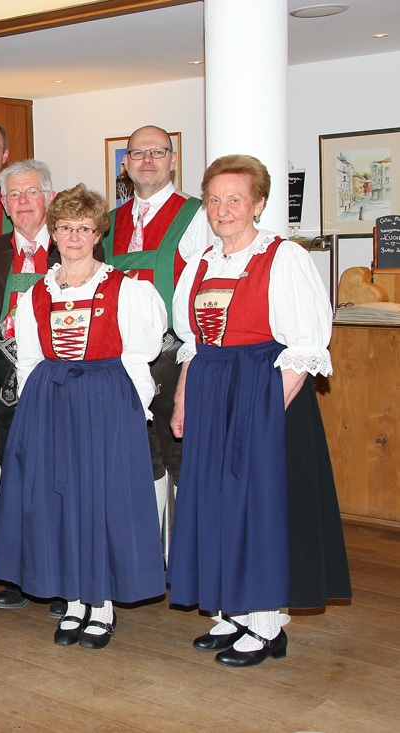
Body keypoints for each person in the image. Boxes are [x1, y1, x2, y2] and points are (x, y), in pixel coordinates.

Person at [168, 155, 350, 668]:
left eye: (235, 199)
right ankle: (232, 609)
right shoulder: (201, 262)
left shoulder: (283, 257)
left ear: (259, 204)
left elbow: (306, 345)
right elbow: (193, 344)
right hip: (212, 392)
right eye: (215, 199)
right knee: (217, 502)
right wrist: (183, 401)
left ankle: (266, 623)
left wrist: (265, 412)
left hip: (263, 389)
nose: (223, 209)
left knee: (258, 506)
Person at [0, 184, 167, 650]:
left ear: (98, 234)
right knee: (58, 501)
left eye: (84, 228)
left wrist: (135, 415)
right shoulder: (35, 294)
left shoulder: (126, 289)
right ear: (52, 233)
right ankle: (72, 599)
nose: (74, 237)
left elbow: (139, 357)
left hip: (105, 400)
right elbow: (28, 360)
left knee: (101, 502)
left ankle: (101, 604)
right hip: (49, 401)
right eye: (66, 227)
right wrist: (32, 416)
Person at [100, 125, 209, 556]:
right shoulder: (109, 222)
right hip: (122, 355)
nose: (148, 161)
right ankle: (148, 552)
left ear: (173, 160)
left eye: (158, 152)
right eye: (138, 154)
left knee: (179, 451)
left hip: (174, 352)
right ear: (125, 164)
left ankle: (182, 554)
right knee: (140, 454)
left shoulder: (197, 215)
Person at [0, 159, 66, 614]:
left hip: (59, 376)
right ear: (3, 205)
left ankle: (63, 578)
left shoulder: (71, 244)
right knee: (14, 475)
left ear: (49, 198)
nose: (22, 202)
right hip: (4, 378)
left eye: (31, 192)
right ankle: (20, 574)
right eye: (14, 195)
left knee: (59, 475)